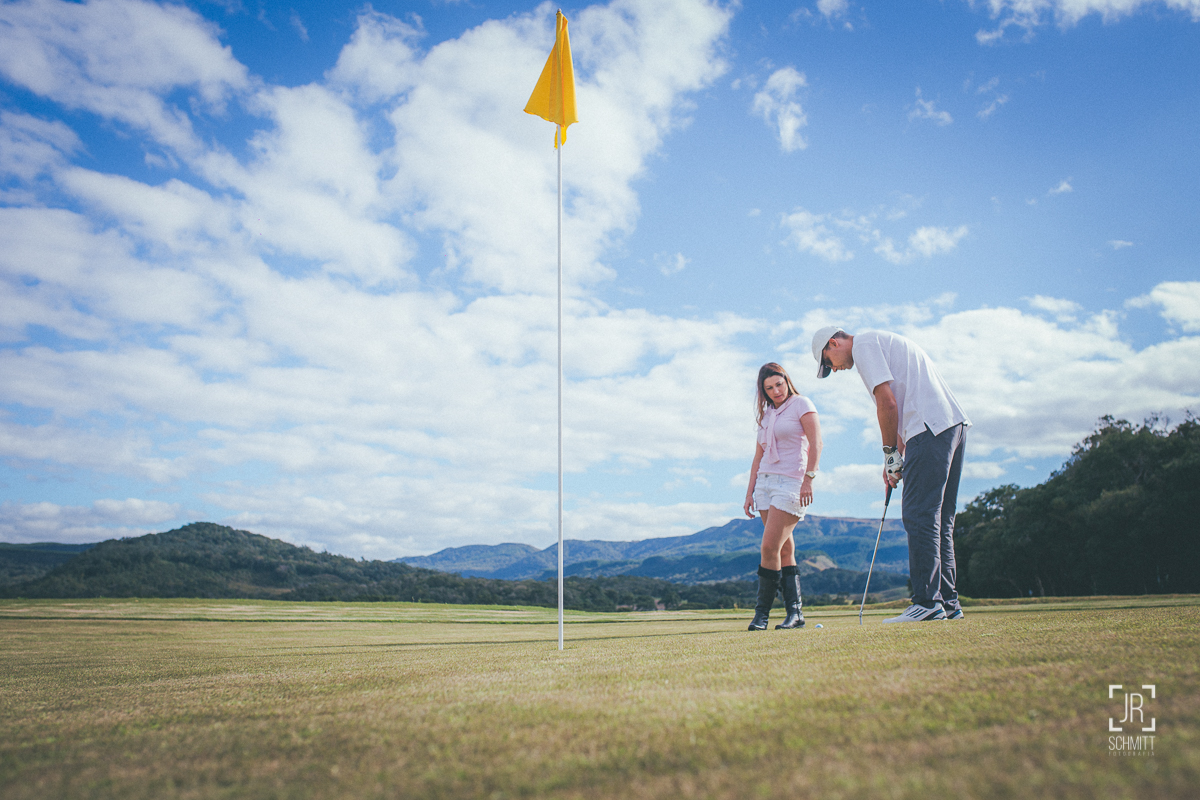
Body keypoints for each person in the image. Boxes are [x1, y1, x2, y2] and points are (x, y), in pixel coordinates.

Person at [812, 326, 970, 622]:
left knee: (919, 515)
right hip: (951, 427)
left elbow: (887, 404)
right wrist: (892, 462)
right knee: (940, 520)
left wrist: (889, 454)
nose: (834, 369)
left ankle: (927, 602)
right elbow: (897, 412)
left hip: (928, 429)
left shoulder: (863, 345)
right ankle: (948, 603)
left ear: (833, 343)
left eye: (828, 363)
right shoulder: (882, 341)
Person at [743, 362, 823, 631]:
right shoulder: (766, 415)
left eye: (779, 384)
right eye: (769, 388)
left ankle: (761, 616)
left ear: (787, 381)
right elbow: (758, 456)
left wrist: (809, 478)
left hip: (790, 483)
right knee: (784, 549)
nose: (776, 391)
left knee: (769, 548)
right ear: (763, 391)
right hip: (764, 484)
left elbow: (816, 442)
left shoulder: (801, 404)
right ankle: (795, 614)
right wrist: (749, 492)